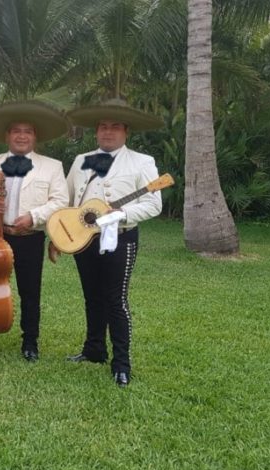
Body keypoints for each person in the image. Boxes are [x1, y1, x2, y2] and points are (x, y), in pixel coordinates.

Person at [57, 99, 164, 386]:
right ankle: (94, 350)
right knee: (92, 297)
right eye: (103, 126)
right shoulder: (82, 161)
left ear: (126, 131)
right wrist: (58, 234)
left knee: (116, 300)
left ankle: (121, 363)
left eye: (115, 126)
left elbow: (154, 204)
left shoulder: (142, 162)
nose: (108, 131)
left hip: (120, 237)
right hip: (83, 237)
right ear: (96, 131)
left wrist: (122, 213)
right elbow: (67, 200)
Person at [0, 101, 70, 361]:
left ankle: (30, 341)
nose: (21, 136)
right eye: (16, 130)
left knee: (29, 290)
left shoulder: (52, 166)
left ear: (35, 136)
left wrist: (34, 216)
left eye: (27, 131)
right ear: (7, 136)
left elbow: (60, 200)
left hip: (28, 237)